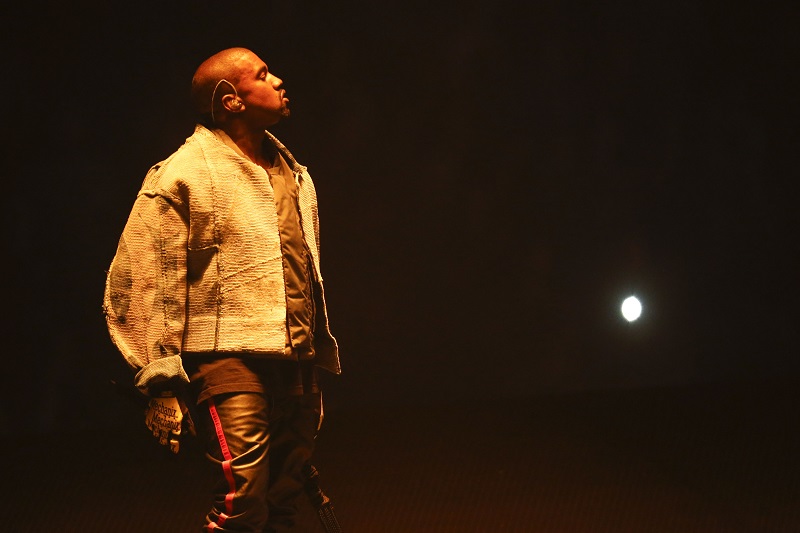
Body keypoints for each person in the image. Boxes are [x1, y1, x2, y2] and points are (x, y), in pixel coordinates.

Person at [103, 47, 341, 532]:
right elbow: (141, 279)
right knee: (243, 501)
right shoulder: (182, 176)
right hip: (226, 359)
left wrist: (312, 351)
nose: (277, 80)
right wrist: (160, 380)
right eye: (261, 74)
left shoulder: (293, 174)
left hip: (294, 359)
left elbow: (301, 272)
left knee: (282, 501)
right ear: (231, 100)